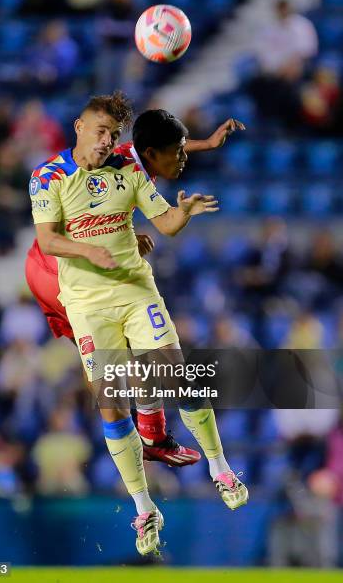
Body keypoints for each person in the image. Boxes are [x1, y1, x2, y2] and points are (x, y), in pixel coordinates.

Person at [28, 92, 248, 555]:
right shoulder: (47, 176)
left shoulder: (128, 168)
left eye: (113, 134)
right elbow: (47, 241)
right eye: (100, 131)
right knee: (111, 406)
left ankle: (220, 468)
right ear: (78, 127)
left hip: (135, 292)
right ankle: (145, 508)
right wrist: (89, 251)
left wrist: (182, 211)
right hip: (88, 306)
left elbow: (164, 223)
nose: (107, 141)